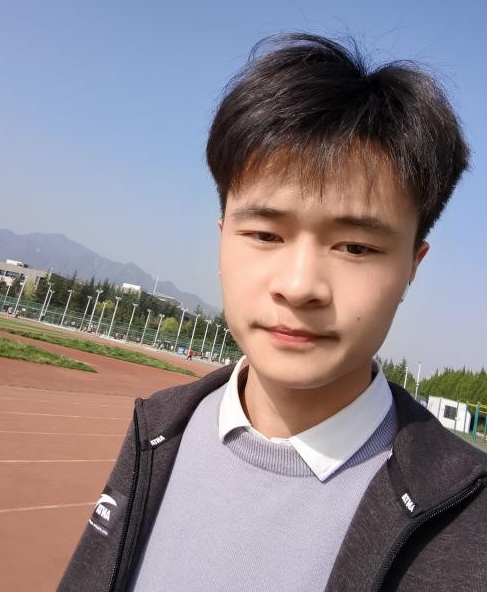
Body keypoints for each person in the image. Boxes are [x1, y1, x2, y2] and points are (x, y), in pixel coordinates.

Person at [59, 34, 486, 591]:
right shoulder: (159, 429)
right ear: (222, 238)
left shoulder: (466, 519)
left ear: (412, 265)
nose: (299, 286)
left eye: (356, 247)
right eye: (264, 234)